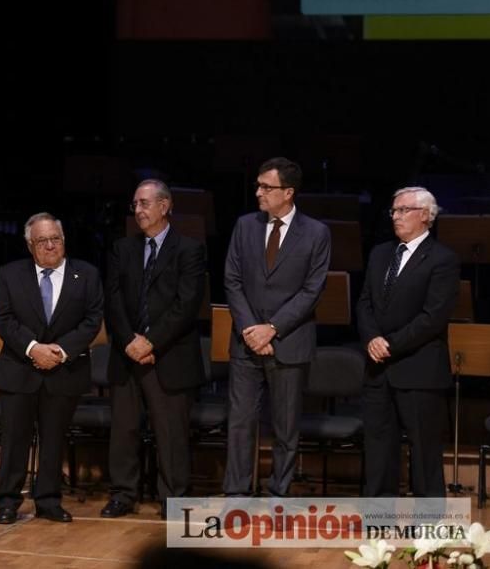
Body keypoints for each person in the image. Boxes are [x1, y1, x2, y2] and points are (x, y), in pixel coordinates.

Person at [223, 157, 330, 497]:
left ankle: (276, 497)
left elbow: (312, 290)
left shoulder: (316, 233)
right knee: (240, 424)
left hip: (288, 342)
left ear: (288, 192)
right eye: (257, 185)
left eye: (266, 187)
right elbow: (232, 280)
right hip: (246, 342)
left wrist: (272, 328)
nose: (258, 192)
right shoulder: (245, 226)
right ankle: (237, 496)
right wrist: (251, 329)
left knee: (285, 428)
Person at [100, 179, 206, 519]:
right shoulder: (122, 249)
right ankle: (123, 494)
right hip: (127, 354)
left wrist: (151, 341)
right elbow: (113, 300)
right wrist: (130, 341)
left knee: (170, 432)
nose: (139, 211)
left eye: (145, 203)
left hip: (169, 354)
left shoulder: (189, 249)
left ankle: (173, 498)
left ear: (165, 206)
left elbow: (187, 304)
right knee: (124, 429)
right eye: (135, 204)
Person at [0, 212, 103, 524]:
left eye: (56, 239)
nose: (51, 245)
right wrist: (33, 349)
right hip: (19, 370)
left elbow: (92, 320)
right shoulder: (9, 274)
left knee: (54, 439)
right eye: (43, 241)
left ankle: (49, 500)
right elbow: (3, 319)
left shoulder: (87, 274)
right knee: (15, 439)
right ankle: (8, 502)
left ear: (64, 240)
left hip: (64, 371)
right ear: (30, 245)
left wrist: (61, 351)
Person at [357, 187, 459, 497]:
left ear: (427, 216)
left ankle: (429, 528)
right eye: (394, 211)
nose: (396, 217)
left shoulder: (443, 259)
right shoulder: (380, 253)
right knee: (377, 448)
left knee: (424, 450)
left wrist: (389, 344)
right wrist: (372, 338)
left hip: (419, 368)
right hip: (378, 369)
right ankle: (378, 521)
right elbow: (364, 303)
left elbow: (432, 317)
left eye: (404, 210)